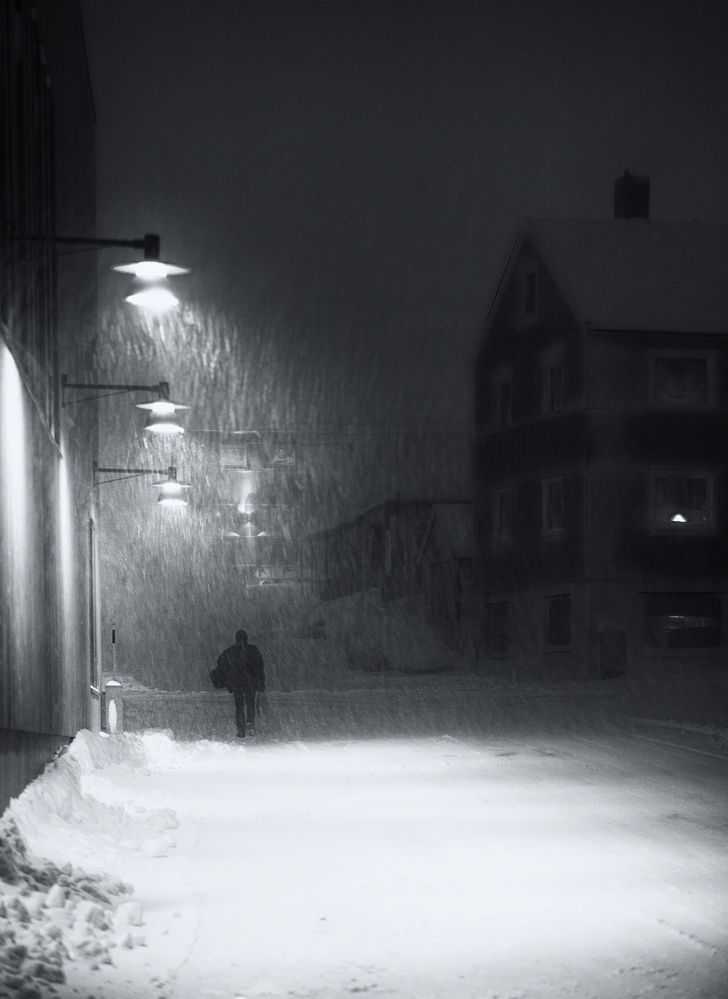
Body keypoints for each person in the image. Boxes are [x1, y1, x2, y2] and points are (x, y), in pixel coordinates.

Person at [216, 630, 266, 738]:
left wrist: (228, 679)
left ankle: (241, 730)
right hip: (250, 682)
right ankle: (250, 723)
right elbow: (259, 667)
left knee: (239, 706)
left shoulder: (230, 651)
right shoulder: (253, 650)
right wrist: (261, 681)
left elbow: (221, 664)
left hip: (237, 683)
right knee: (250, 703)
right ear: (246, 638)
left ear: (236, 638)